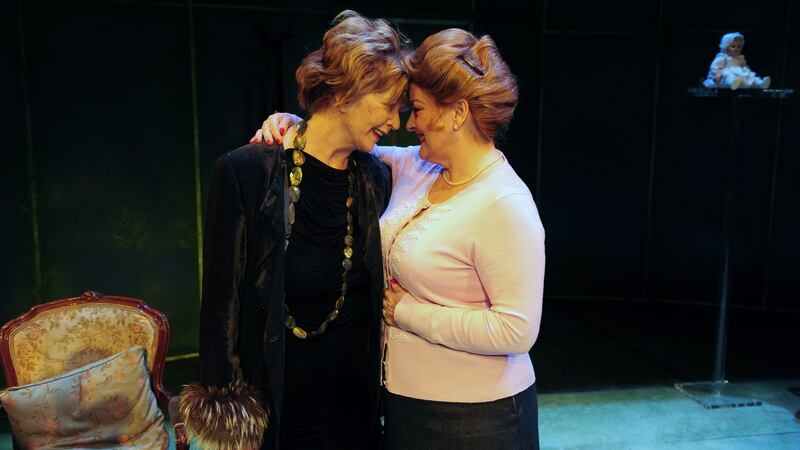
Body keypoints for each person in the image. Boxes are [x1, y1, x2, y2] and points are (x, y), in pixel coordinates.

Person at [258, 27, 545, 450]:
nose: (408, 125)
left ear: (458, 112)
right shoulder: (416, 167)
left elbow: (517, 330)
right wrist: (292, 123)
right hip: (404, 402)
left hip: (477, 416)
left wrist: (407, 312)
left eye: (419, 110)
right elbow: (337, 137)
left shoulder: (504, 203)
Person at [179, 10, 410, 450]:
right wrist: (228, 405)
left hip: (355, 406)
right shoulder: (248, 171)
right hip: (282, 406)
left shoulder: (374, 178)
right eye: (387, 107)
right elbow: (222, 304)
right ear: (347, 91)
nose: (394, 124)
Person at [702, 32, 770, 90]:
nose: (736, 49)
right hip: (726, 74)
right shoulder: (723, 57)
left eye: (739, 46)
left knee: (750, 77)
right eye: (733, 46)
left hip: (739, 74)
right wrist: (718, 74)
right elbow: (714, 67)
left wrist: (746, 70)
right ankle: (733, 83)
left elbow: (744, 66)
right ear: (726, 47)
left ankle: (761, 83)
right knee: (728, 76)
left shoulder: (739, 58)